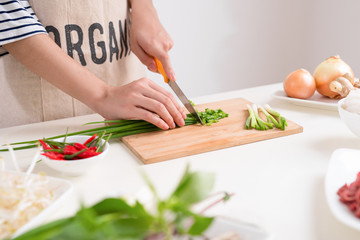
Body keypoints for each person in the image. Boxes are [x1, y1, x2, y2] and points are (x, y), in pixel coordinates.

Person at [0, 0, 186, 130]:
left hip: (120, 62)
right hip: (38, 125)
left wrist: (145, 9)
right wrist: (103, 95)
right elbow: (10, 17)